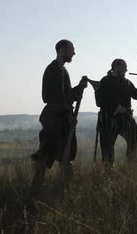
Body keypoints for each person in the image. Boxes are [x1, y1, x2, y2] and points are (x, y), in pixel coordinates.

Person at [31, 39, 87, 189]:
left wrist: (79, 88)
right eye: (72, 49)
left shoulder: (61, 69)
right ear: (62, 50)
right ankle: (38, 188)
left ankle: (61, 189)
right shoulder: (55, 69)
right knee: (48, 154)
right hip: (55, 119)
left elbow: (65, 96)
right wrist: (67, 114)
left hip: (59, 118)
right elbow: (53, 98)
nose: (74, 52)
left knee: (64, 155)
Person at [96, 59, 137, 166]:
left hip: (125, 117)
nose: (126, 70)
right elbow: (100, 101)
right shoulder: (105, 81)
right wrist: (116, 107)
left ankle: (132, 165)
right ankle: (108, 169)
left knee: (134, 139)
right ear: (116, 67)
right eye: (124, 67)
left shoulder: (127, 83)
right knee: (107, 145)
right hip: (109, 118)